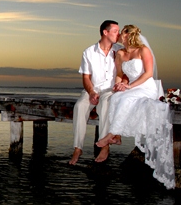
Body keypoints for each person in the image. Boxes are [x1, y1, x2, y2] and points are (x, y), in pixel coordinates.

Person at [96, 25, 175, 189]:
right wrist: (118, 86)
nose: (118, 36)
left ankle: (111, 134)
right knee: (116, 99)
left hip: (145, 87)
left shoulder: (143, 50)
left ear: (127, 35)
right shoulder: (120, 54)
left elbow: (148, 74)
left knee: (125, 100)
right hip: (130, 87)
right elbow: (119, 74)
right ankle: (117, 137)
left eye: (121, 33)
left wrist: (130, 87)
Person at [69, 20, 124, 165]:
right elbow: (86, 77)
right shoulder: (89, 52)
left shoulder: (119, 50)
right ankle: (77, 148)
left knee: (106, 105)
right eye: (115, 31)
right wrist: (92, 92)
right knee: (79, 106)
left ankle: (104, 146)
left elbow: (124, 73)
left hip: (110, 91)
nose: (118, 34)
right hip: (92, 89)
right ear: (105, 33)